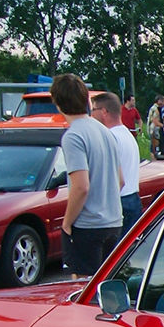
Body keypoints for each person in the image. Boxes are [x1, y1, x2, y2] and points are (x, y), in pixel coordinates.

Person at [53, 73, 124, 274]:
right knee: (105, 283)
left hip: (88, 225)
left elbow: (81, 186)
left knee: (84, 287)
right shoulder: (105, 132)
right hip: (113, 220)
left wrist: (67, 223)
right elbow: (120, 180)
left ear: (58, 104)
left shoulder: (73, 136)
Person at [93, 91, 142, 235]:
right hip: (133, 198)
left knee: (114, 254)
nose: (91, 115)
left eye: (93, 110)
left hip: (119, 201)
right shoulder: (127, 134)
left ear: (104, 112)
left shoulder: (110, 137)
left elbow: (108, 176)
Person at [146, 93, 164, 158]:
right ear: (159, 101)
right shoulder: (155, 109)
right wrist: (163, 126)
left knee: (153, 147)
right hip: (154, 130)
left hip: (152, 130)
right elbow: (155, 121)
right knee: (154, 148)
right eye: (163, 100)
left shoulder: (155, 108)